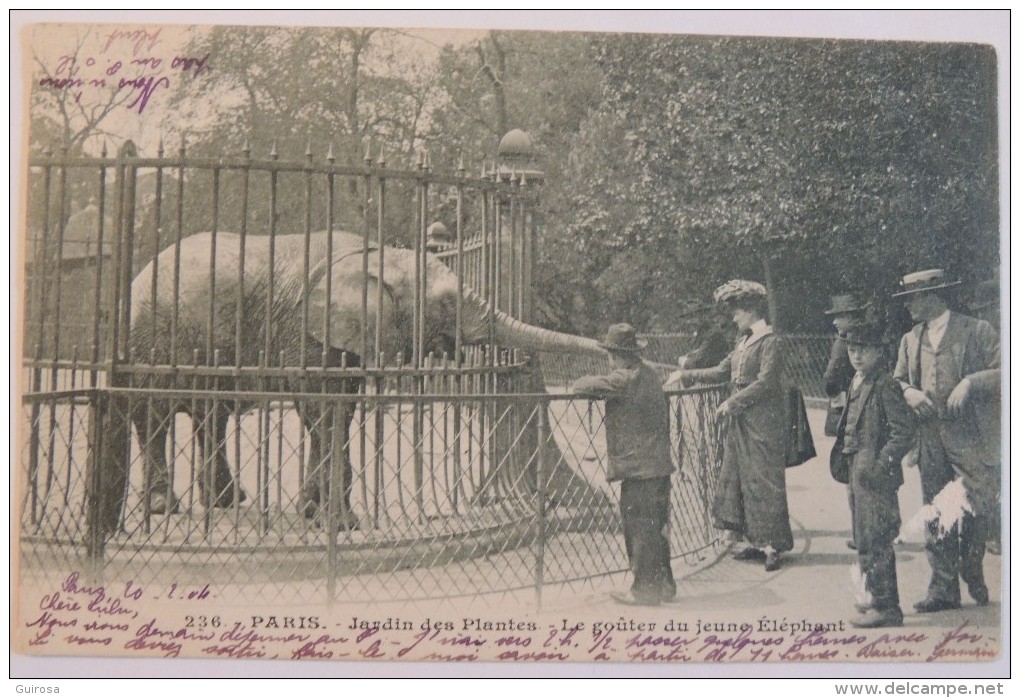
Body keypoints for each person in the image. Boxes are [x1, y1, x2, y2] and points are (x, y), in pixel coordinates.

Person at [892, 268, 1000, 612]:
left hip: (971, 436)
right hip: (930, 438)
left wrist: (970, 382)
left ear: (933, 297)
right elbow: (895, 380)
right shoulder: (910, 339)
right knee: (936, 511)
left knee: (978, 507)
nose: (908, 306)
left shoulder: (976, 329)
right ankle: (943, 589)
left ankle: (971, 565)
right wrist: (908, 390)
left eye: (913, 298)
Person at [668, 280, 793, 571]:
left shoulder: (771, 341)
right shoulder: (743, 342)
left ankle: (773, 544)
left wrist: (733, 402)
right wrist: (685, 376)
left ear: (750, 310)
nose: (733, 317)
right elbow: (722, 370)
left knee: (764, 478)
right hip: (742, 421)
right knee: (741, 475)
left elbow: (766, 382)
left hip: (763, 420)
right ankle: (754, 540)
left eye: (737, 311)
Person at [573, 323, 676, 606]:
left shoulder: (623, 378)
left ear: (614, 354)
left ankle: (644, 590)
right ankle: (664, 585)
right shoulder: (650, 373)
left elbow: (581, 386)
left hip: (639, 468)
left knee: (639, 528)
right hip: (659, 465)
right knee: (658, 526)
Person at [831, 320, 916, 628]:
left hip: (875, 475)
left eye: (864, 350)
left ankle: (887, 606)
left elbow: (903, 432)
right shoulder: (858, 379)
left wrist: (883, 465)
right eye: (852, 349)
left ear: (879, 351)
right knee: (863, 537)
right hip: (857, 470)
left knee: (877, 537)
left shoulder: (885, 383)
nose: (856, 356)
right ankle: (873, 597)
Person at [822, 293, 869, 552]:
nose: (836, 322)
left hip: (849, 412)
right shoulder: (868, 338)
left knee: (854, 475)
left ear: (851, 317)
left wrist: (835, 396)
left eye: (840, 316)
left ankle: (860, 533)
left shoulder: (844, 343)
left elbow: (830, 377)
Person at [967, 279, 1002, 556]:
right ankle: (994, 533)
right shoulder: (982, 333)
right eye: (979, 311)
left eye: (987, 308)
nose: (983, 315)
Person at [677, 303, 732, 370]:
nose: (690, 322)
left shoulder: (713, 333)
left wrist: (683, 361)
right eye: (688, 318)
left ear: (703, 316)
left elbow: (697, 362)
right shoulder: (701, 332)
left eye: (694, 317)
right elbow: (694, 353)